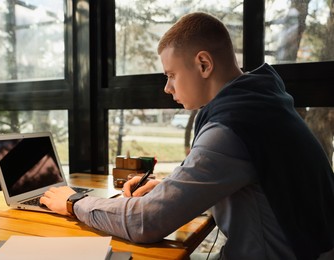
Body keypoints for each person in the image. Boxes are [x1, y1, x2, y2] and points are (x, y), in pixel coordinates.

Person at [40, 12, 334, 259]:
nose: (167, 88)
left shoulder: (233, 127)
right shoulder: (263, 105)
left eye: (171, 75)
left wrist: (74, 202)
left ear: (203, 64)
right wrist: (170, 188)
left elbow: (146, 221)